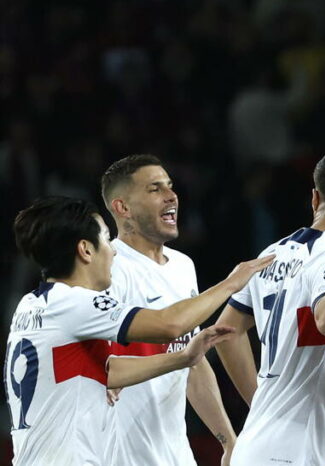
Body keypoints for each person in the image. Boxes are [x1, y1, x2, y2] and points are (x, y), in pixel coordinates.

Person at [6, 196, 271, 465]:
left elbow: (108, 372)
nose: (114, 250)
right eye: (107, 239)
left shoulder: (30, 306)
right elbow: (169, 325)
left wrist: (182, 358)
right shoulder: (75, 304)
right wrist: (232, 284)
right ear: (86, 250)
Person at [213, 148, 325, 466]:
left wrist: (262, 401)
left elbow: (226, 332)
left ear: (315, 198)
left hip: (255, 442)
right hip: (305, 449)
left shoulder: (272, 252)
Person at [99, 154, 239, 465]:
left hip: (175, 453)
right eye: (154, 189)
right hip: (120, 455)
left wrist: (228, 440)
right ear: (123, 208)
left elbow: (192, 361)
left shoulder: (183, 266)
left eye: (170, 186)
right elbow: (98, 370)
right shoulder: (107, 269)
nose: (171, 195)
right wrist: (231, 284)